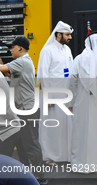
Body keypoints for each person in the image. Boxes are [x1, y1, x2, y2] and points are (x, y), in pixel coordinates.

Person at [0, 36, 47, 185]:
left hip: (27, 110)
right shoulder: (22, 63)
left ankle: (40, 176)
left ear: (20, 49)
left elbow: (0, 68)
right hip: (21, 110)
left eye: (12, 47)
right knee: (21, 143)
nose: (10, 50)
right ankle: (27, 174)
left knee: (31, 143)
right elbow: (8, 73)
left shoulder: (23, 61)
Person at [37, 21, 74, 166]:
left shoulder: (67, 50)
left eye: (70, 34)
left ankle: (65, 155)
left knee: (65, 126)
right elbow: (43, 75)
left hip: (65, 95)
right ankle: (49, 157)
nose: (70, 37)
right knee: (52, 127)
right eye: (67, 34)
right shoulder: (47, 50)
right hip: (52, 95)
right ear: (58, 35)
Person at [67, 32, 97, 170]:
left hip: (82, 103)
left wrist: (69, 102)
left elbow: (72, 82)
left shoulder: (79, 59)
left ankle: (81, 164)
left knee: (81, 132)